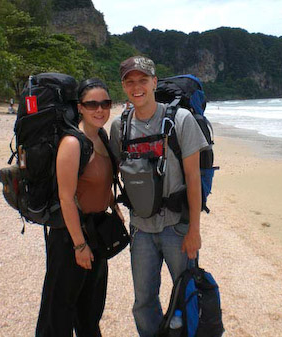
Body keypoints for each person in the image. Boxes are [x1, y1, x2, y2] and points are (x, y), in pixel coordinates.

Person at [109, 56, 209, 337]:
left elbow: (193, 178)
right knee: (143, 303)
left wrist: (194, 230)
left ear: (155, 82)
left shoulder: (180, 120)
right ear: (124, 87)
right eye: (130, 82)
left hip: (177, 228)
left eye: (143, 80)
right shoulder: (120, 127)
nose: (137, 87)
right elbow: (113, 170)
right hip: (140, 229)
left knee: (185, 295)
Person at [36, 78, 122, 337]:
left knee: (90, 308)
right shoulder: (73, 143)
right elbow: (66, 198)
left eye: (105, 103)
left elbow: (100, 182)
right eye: (92, 104)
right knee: (59, 309)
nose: (100, 109)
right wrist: (79, 245)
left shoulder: (103, 138)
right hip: (70, 235)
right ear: (80, 107)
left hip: (97, 231)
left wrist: (113, 206)